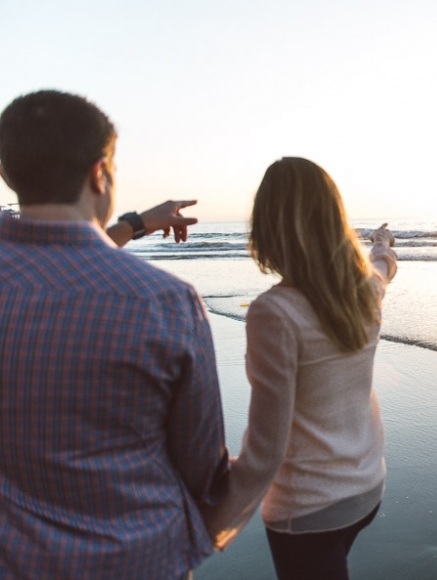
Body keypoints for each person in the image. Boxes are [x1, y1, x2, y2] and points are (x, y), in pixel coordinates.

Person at [0, 89, 229, 579]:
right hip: (139, 560)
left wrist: (139, 223)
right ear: (99, 173)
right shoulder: (165, 302)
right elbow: (204, 474)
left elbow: (49, 248)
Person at [201, 157, 397, 580]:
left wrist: (211, 527)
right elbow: (383, 270)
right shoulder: (364, 291)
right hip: (366, 488)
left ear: (270, 226)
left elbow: (266, 449)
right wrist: (382, 245)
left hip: (309, 509)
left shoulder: (275, 313)